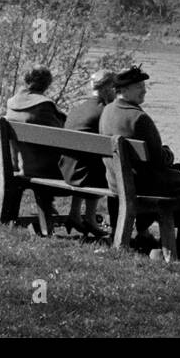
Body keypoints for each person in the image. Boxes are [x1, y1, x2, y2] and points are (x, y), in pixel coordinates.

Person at [99, 65, 180, 259]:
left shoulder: (106, 111)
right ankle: (177, 247)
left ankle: (143, 234)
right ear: (124, 89)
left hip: (115, 181)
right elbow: (158, 160)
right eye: (139, 86)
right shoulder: (139, 118)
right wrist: (168, 153)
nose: (144, 90)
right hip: (142, 186)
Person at [59, 69, 118, 237]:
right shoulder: (105, 112)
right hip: (85, 175)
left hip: (67, 170)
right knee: (105, 167)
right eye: (115, 88)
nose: (117, 92)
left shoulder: (77, 108)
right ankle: (90, 218)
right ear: (107, 89)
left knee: (87, 157)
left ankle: (75, 214)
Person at [4, 65, 65, 222]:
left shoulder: (12, 103)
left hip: (17, 164)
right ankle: (78, 215)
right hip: (40, 168)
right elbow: (61, 134)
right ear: (47, 84)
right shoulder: (44, 105)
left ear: (25, 80)